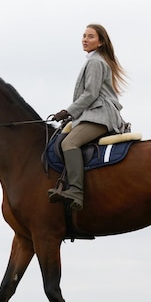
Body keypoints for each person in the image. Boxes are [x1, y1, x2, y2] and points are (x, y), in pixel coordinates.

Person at [48, 23, 128, 211]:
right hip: (92, 114)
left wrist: (69, 111)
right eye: (84, 36)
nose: (85, 39)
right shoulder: (94, 60)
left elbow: (91, 94)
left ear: (100, 42)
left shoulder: (95, 62)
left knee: (69, 143)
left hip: (100, 116)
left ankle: (75, 191)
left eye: (91, 36)